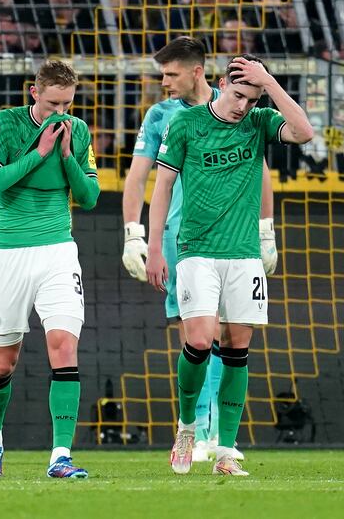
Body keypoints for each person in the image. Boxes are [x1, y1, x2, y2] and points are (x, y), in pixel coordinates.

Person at [146, 54, 313, 476]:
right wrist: (153, 246)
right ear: (221, 83)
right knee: (201, 341)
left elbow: (304, 132)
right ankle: (186, 427)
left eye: (251, 100)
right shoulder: (185, 124)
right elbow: (163, 186)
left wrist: (269, 84)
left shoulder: (257, 124)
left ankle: (225, 451)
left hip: (243, 256)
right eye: (238, 95)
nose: (242, 106)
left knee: (238, 348)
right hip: (196, 251)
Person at [121, 37, 277, 463]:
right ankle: (197, 428)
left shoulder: (242, 107)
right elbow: (140, 178)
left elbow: (262, 172)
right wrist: (134, 235)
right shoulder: (161, 115)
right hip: (184, 241)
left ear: (196, 71)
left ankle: (215, 435)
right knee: (199, 338)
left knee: (233, 338)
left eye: (170, 74)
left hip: (239, 241)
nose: (164, 82)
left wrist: (267, 231)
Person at [0, 60, 99, 479]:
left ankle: (60, 456)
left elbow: (90, 196)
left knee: (63, 345)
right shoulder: (5, 125)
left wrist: (65, 157)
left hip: (58, 252)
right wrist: (39, 152)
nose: (60, 113)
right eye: (52, 104)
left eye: (67, 104)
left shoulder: (78, 133)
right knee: (3, 361)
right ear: (34, 93)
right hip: (8, 254)